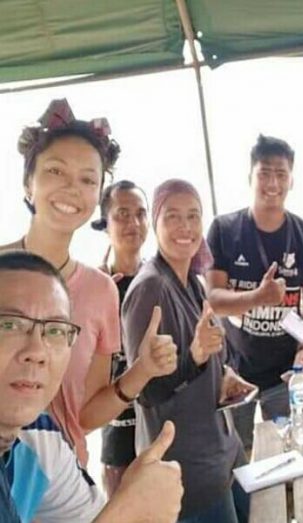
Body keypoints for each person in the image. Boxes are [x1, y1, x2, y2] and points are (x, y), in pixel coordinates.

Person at [0, 99, 175, 466]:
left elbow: (83, 416)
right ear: (28, 184)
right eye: (55, 171)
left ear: (97, 197)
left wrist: (143, 369)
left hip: (64, 477)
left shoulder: (100, 290)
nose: (71, 188)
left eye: (87, 179)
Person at [0, 250, 183, 523]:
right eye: (10, 324)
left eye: (55, 330)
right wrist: (125, 513)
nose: (37, 351)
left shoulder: (40, 438)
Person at [122, 179, 253, 522]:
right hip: (187, 476)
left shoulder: (193, 281)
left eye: (193, 216)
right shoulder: (150, 288)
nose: (186, 227)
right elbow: (146, 392)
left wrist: (223, 375)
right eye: (173, 217)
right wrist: (194, 356)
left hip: (223, 454)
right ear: (155, 224)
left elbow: (206, 355)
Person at [206, 135, 303, 450]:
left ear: (291, 180)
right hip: (234, 374)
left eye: (281, 174)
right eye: (264, 173)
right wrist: (258, 297)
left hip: (286, 377)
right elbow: (214, 300)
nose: (273, 183)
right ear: (250, 177)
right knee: (236, 457)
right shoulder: (224, 230)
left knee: (290, 452)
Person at [91, 180, 149, 498]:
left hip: (162, 431)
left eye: (140, 213)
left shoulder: (160, 280)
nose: (133, 223)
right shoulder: (93, 286)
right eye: (122, 214)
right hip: (118, 440)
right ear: (105, 223)